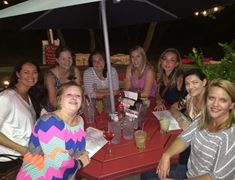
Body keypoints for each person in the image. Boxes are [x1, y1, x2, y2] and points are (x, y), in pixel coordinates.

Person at [155, 79, 235, 180]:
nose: (215, 104)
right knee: (148, 175)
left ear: (232, 104)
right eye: (211, 98)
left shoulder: (230, 136)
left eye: (222, 100)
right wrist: (166, 155)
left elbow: (217, 177)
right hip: (190, 174)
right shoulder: (203, 118)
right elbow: (185, 138)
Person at [17, 82, 90, 179]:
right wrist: (80, 163)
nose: (74, 98)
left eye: (78, 96)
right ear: (59, 99)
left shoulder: (79, 120)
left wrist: (83, 156)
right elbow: (59, 162)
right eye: (69, 95)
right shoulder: (49, 122)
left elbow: (79, 151)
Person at [0, 60, 40, 177]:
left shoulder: (28, 96)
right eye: (26, 72)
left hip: (25, 156)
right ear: (18, 74)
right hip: (9, 161)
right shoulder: (7, 97)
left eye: (34, 72)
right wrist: (21, 150)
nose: (31, 76)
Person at [45, 46, 81, 111]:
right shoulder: (50, 76)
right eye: (63, 59)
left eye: (69, 58)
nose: (67, 61)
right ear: (57, 60)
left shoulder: (75, 71)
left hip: (72, 106)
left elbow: (79, 93)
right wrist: (66, 111)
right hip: (54, 109)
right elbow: (52, 100)